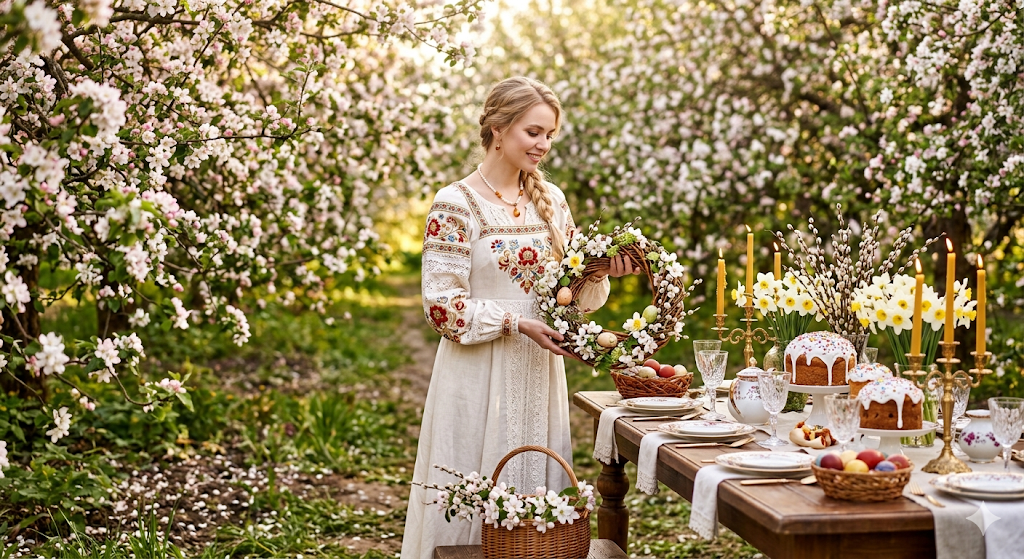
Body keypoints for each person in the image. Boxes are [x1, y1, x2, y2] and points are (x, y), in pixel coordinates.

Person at [401, 77, 639, 557]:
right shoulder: (455, 203)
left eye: (549, 134)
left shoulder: (552, 201)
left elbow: (573, 299)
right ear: (498, 127)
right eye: (533, 132)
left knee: (535, 494)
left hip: (538, 371)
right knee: (471, 482)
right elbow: (441, 306)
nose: (543, 145)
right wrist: (515, 323)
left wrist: (598, 272)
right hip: (475, 374)